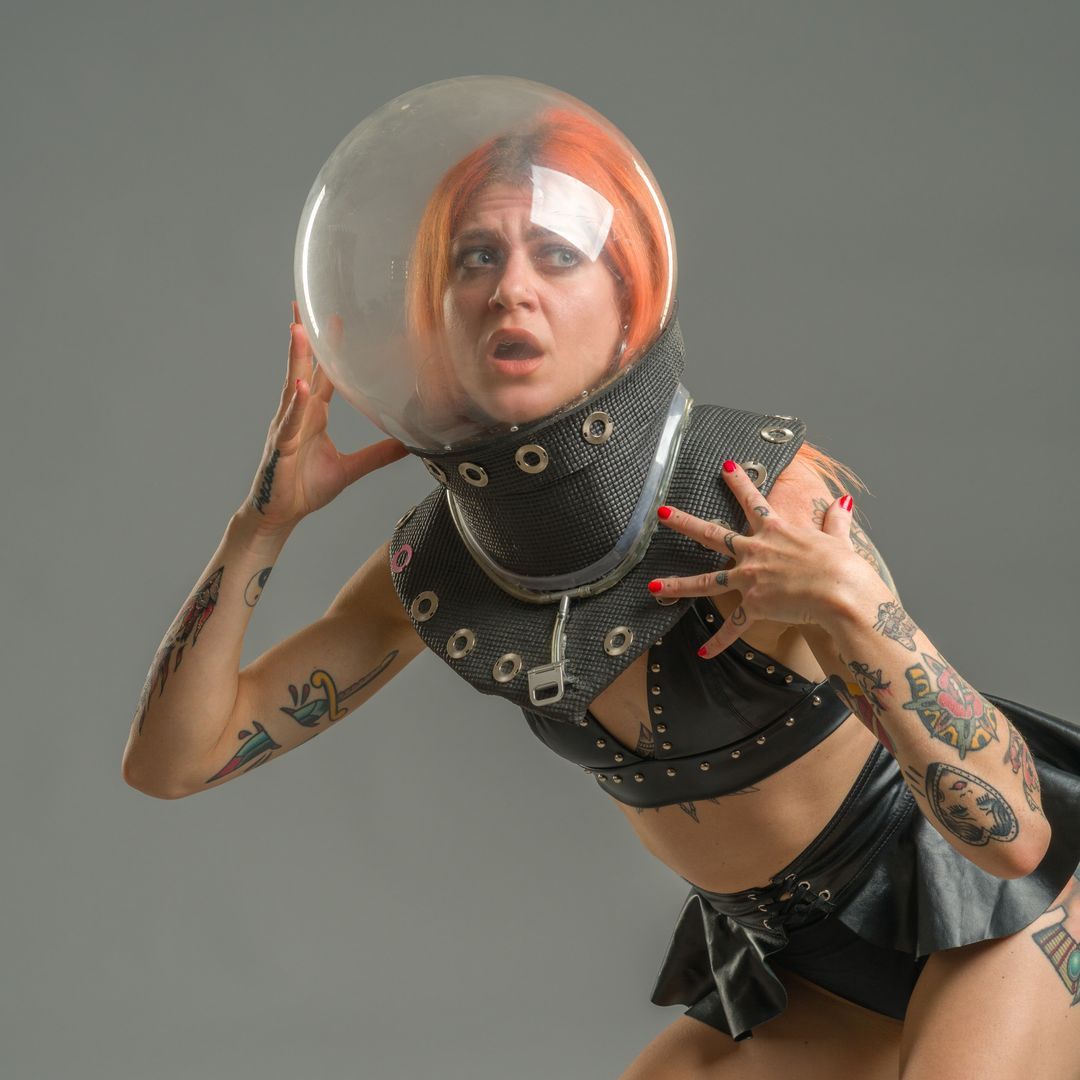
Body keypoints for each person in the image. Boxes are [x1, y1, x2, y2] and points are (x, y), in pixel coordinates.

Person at [122, 83, 1080, 1078]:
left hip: (1008, 916)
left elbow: (1014, 843)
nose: (510, 290)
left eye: (557, 254)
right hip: (799, 969)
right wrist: (261, 527)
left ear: (627, 296)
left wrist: (854, 604)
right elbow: (174, 763)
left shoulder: (758, 499)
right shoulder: (440, 567)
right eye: (476, 258)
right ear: (436, 311)